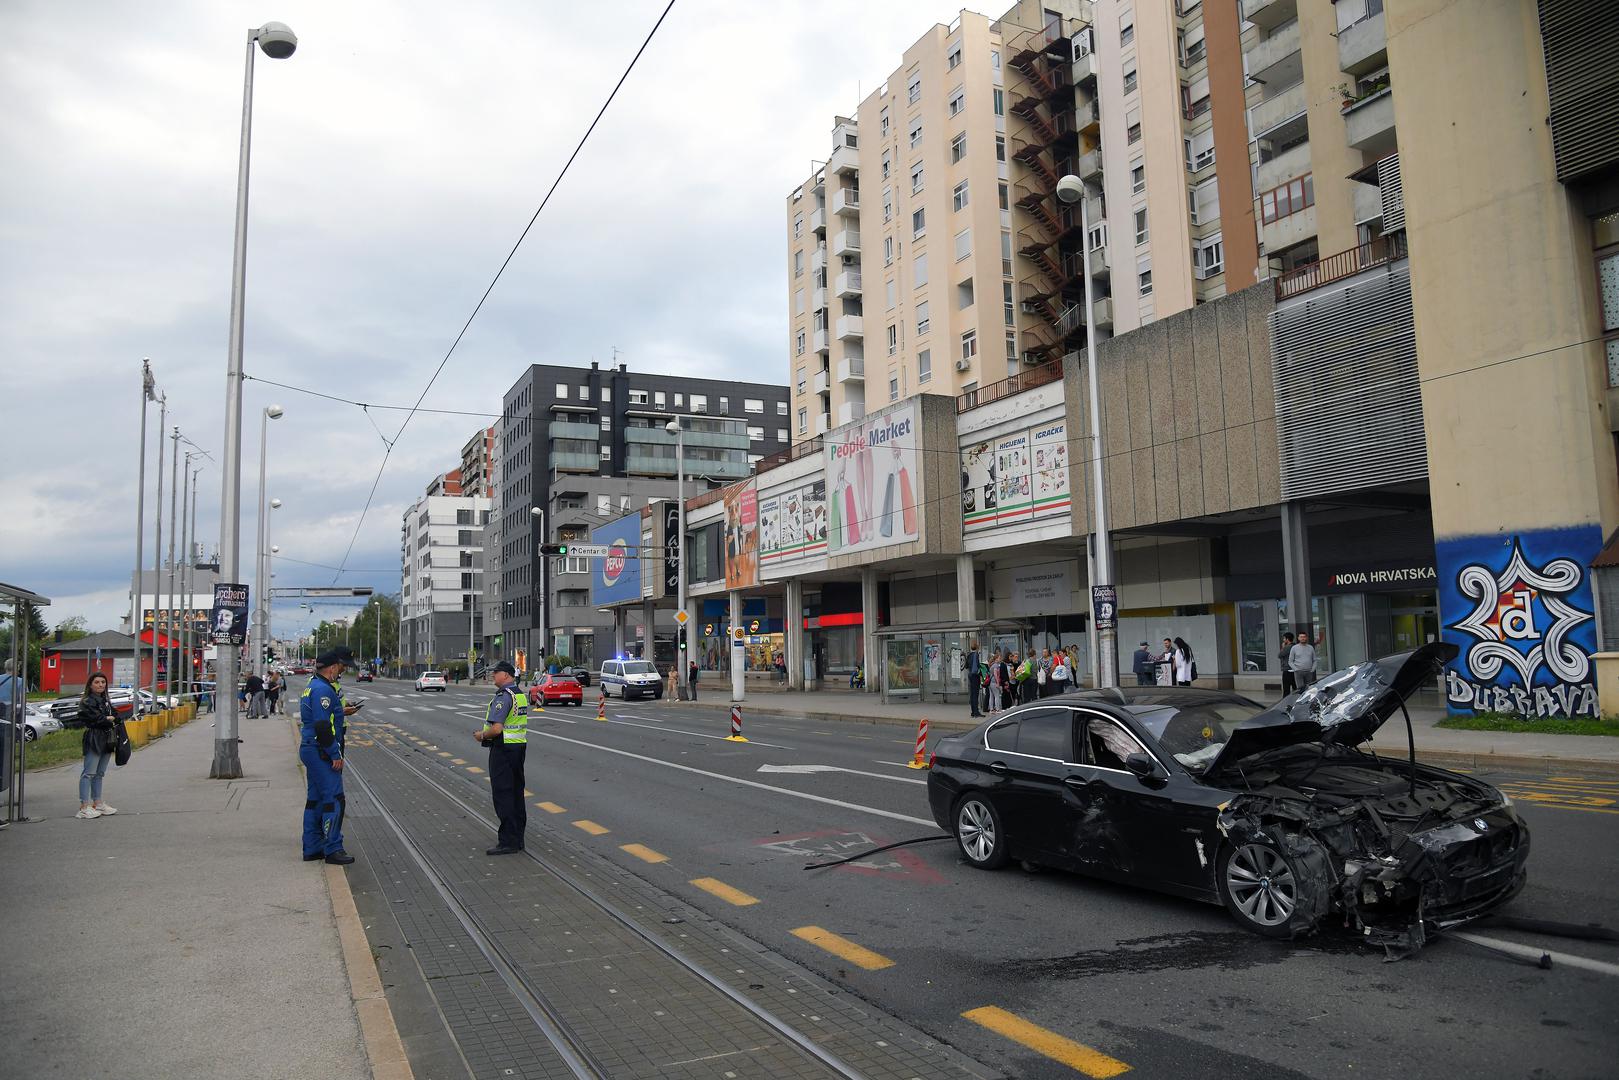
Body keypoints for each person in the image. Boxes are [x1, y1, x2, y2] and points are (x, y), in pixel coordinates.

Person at [300, 647, 360, 865]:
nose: (341, 672)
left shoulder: (312, 686)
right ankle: (333, 848)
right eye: (340, 668)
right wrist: (334, 754)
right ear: (332, 667)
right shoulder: (324, 691)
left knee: (314, 800)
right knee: (334, 798)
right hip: (320, 750)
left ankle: (312, 846)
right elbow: (323, 726)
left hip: (311, 747)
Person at [474, 660, 529, 855]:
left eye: (495, 672)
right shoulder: (519, 694)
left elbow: (496, 728)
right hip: (518, 748)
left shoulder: (504, 696)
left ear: (505, 675)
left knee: (503, 794)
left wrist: (481, 735)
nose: (492, 675)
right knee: (516, 794)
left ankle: (508, 841)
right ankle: (518, 838)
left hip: (503, 750)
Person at [75, 672, 120, 820]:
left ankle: (98, 802)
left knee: (100, 773)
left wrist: (110, 718)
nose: (101, 685)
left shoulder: (105, 700)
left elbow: (116, 715)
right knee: (89, 772)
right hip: (94, 737)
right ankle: (83, 807)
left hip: (107, 738)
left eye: (103, 682)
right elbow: (97, 718)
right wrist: (108, 718)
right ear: (90, 684)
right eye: (97, 682)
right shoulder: (88, 701)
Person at [967, 640, 982, 717]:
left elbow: (966, 665)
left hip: (970, 675)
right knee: (975, 694)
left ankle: (973, 711)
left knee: (972, 694)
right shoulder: (976, 655)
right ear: (977, 648)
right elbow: (976, 668)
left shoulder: (969, 655)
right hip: (975, 676)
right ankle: (976, 712)